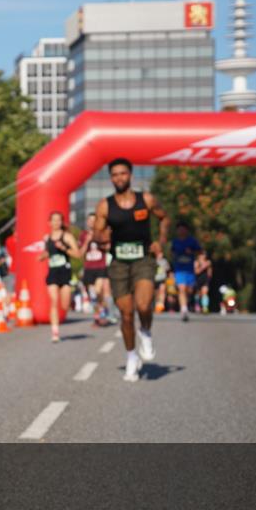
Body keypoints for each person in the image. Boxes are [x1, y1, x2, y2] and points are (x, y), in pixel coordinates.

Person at [94, 159, 169, 382]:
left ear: (131, 176)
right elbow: (97, 234)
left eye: (123, 174)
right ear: (111, 178)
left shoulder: (145, 200)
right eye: (115, 174)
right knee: (126, 315)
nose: (119, 178)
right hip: (119, 263)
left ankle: (145, 332)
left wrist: (160, 242)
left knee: (144, 305)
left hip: (143, 259)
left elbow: (164, 218)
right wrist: (102, 237)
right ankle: (131, 357)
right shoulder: (105, 205)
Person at [38, 211, 82, 342]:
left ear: (62, 222)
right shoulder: (46, 238)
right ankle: (55, 332)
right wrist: (42, 256)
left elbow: (78, 254)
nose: (56, 222)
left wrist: (64, 248)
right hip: (52, 271)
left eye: (59, 220)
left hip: (65, 271)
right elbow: (48, 252)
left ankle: (70, 302)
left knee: (64, 304)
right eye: (54, 220)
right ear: (49, 223)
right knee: (53, 301)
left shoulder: (67, 236)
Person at [79, 212, 111, 326]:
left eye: (94, 220)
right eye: (90, 220)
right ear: (87, 222)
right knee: (93, 295)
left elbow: (108, 247)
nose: (92, 223)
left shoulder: (102, 233)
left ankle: (100, 315)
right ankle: (100, 313)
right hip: (88, 268)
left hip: (100, 267)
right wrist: (87, 241)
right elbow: (80, 253)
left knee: (97, 291)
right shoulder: (83, 235)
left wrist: (98, 240)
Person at [170, 222, 201, 322]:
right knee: (181, 288)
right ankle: (184, 309)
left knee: (189, 290)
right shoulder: (175, 241)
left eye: (183, 229)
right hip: (179, 269)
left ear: (186, 230)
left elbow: (200, 252)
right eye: (179, 229)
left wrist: (191, 252)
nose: (181, 231)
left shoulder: (192, 241)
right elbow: (172, 253)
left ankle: (186, 304)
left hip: (189, 270)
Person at [154, 244, 170, 313]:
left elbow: (168, 269)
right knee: (156, 293)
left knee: (162, 291)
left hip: (162, 279)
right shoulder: (153, 261)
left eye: (161, 254)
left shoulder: (164, 261)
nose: (160, 255)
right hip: (155, 279)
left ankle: (161, 305)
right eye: (159, 254)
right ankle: (156, 304)